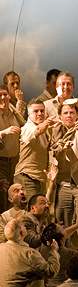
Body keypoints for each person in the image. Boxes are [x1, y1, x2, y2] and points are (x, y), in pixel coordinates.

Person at [50, 101, 78, 248]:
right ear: (60, 116)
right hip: (63, 183)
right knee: (63, 222)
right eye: (66, 113)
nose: (69, 115)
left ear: (77, 114)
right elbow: (52, 152)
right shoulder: (55, 130)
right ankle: (67, 255)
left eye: (72, 112)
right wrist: (60, 149)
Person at [14, 99, 56, 200]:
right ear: (29, 114)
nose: (40, 114)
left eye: (42, 111)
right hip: (27, 177)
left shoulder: (45, 131)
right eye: (36, 111)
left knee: (38, 212)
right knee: (30, 212)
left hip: (40, 179)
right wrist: (47, 122)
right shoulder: (27, 128)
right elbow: (37, 130)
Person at [0, 84, 25, 213]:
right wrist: (3, 132)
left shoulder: (13, 111)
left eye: (5, 94)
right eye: (0, 95)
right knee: (2, 195)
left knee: (11, 195)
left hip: (15, 161)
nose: (3, 97)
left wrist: (20, 102)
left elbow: (23, 125)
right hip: (1, 162)